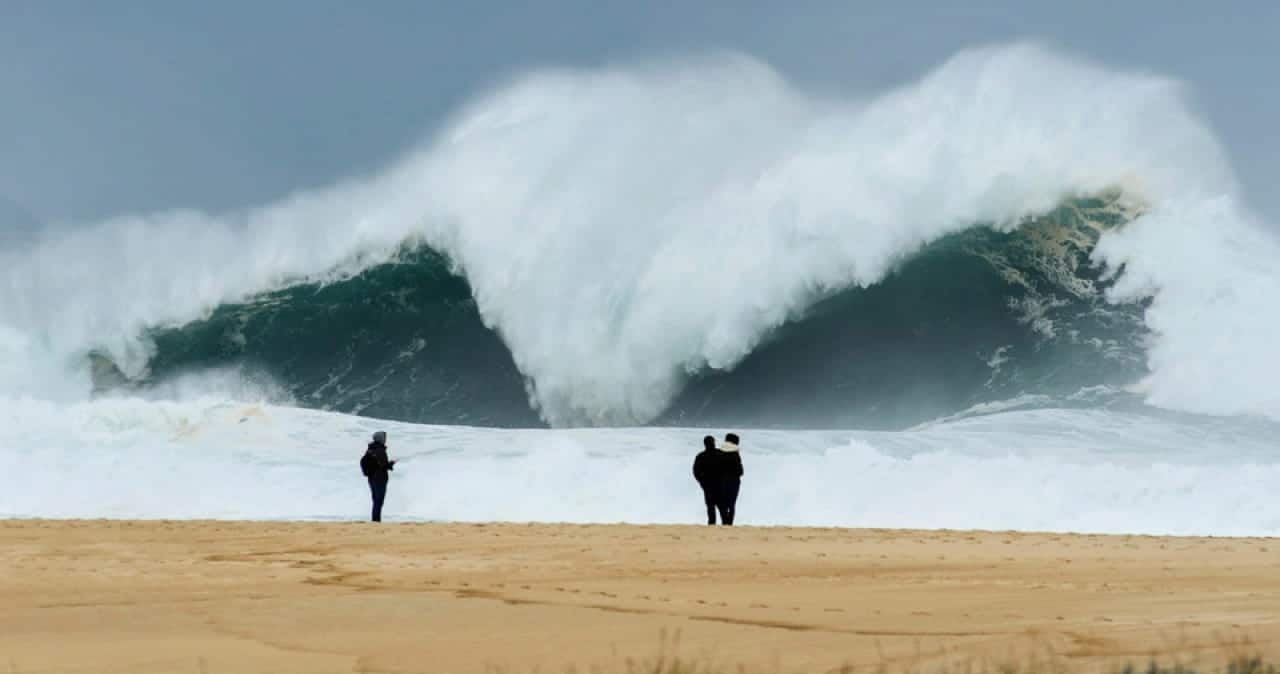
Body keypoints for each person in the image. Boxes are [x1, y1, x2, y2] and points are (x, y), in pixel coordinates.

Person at [360, 430, 396, 522]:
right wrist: (391, 464)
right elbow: (383, 465)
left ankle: (375, 520)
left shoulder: (370, 449)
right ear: (380, 439)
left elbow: (378, 464)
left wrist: (388, 465)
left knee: (376, 500)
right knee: (378, 501)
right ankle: (376, 521)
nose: (385, 439)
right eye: (384, 438)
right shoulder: (380, 450)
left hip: (371, 478)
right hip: (379, 479)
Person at [716, 432, 744, 525]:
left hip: (720, 481)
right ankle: (730, 523)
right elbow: (740, 471)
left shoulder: (719, 453)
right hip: (734, 481)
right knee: (731, 504)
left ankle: (724, 521)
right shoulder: (735, 454)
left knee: (722, 503)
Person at [692, 435, 721, 525]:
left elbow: (696, 472)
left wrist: (702, 482)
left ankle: (712, 525)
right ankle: (726, 525)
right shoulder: (720, 454)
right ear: (713, 442)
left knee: (711, 507)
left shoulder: (701, 456)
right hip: (719, 484)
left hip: (708, 485)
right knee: (722, 507)